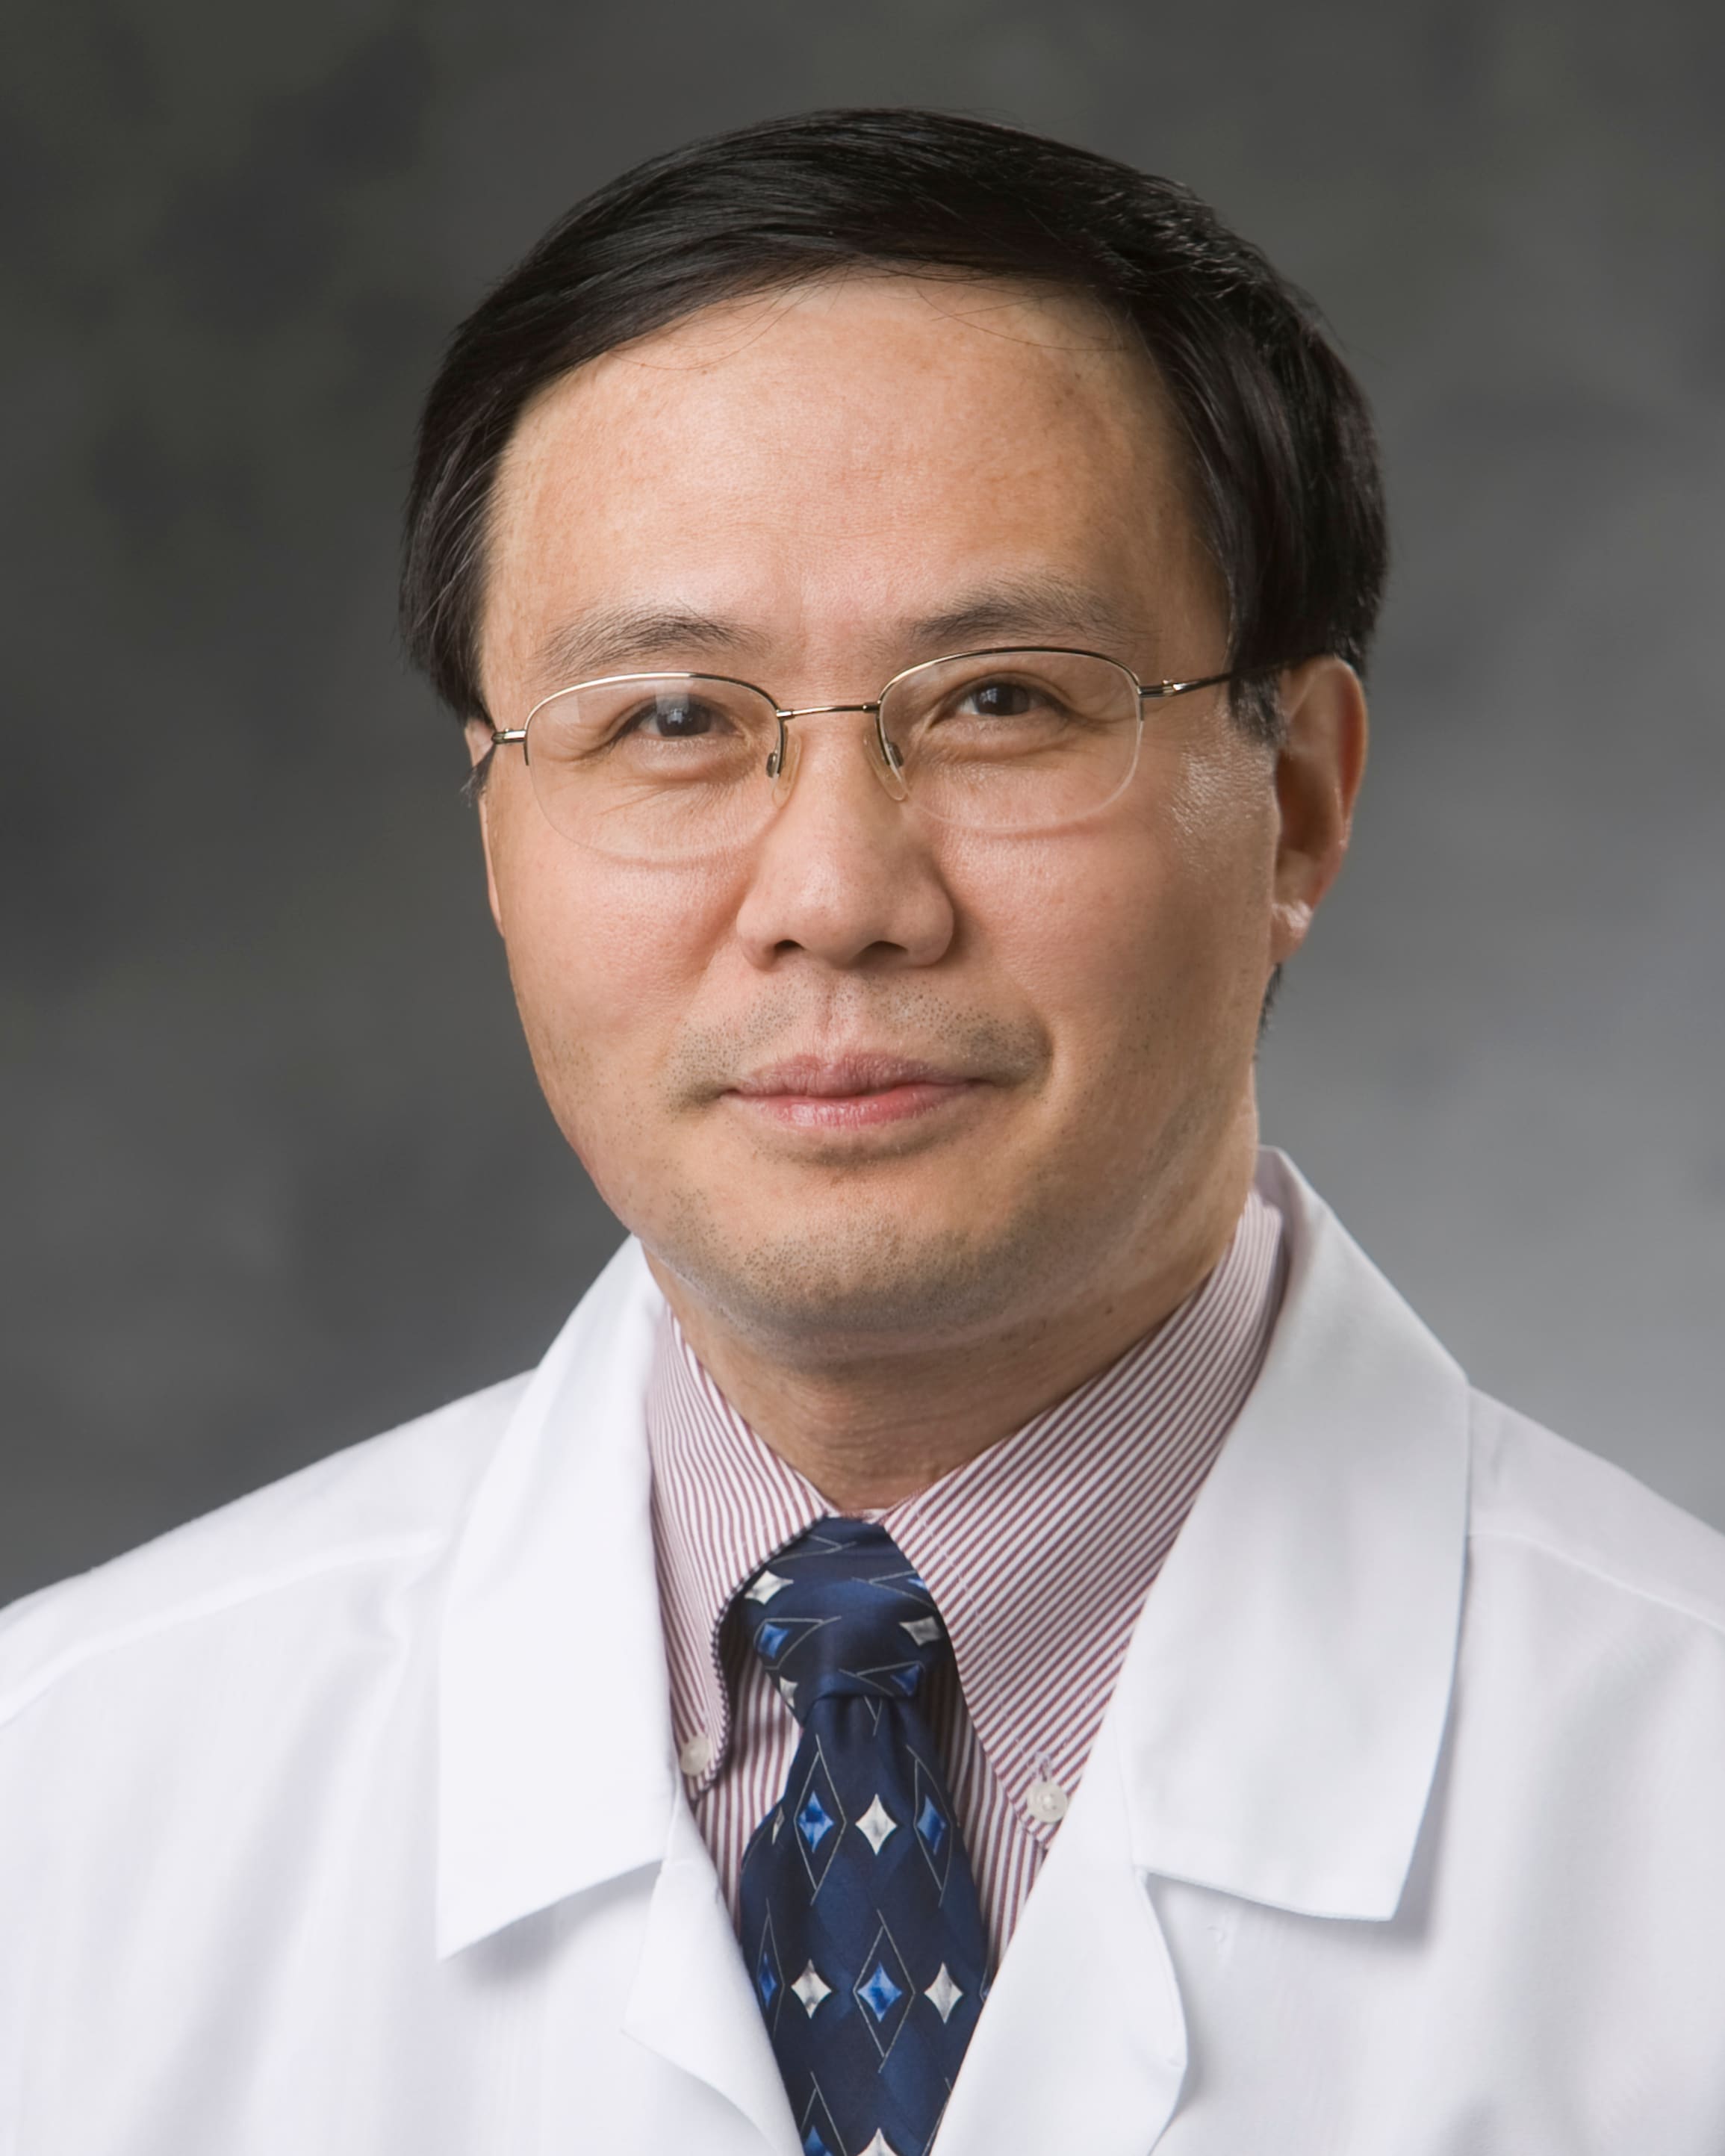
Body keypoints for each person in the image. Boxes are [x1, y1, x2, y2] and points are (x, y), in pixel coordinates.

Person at [2, 106, 1723, 2156]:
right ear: (496, 828)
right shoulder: (65, 1810)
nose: (836, 895)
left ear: (1300, 803)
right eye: (670, 720)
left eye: (1002, 700)